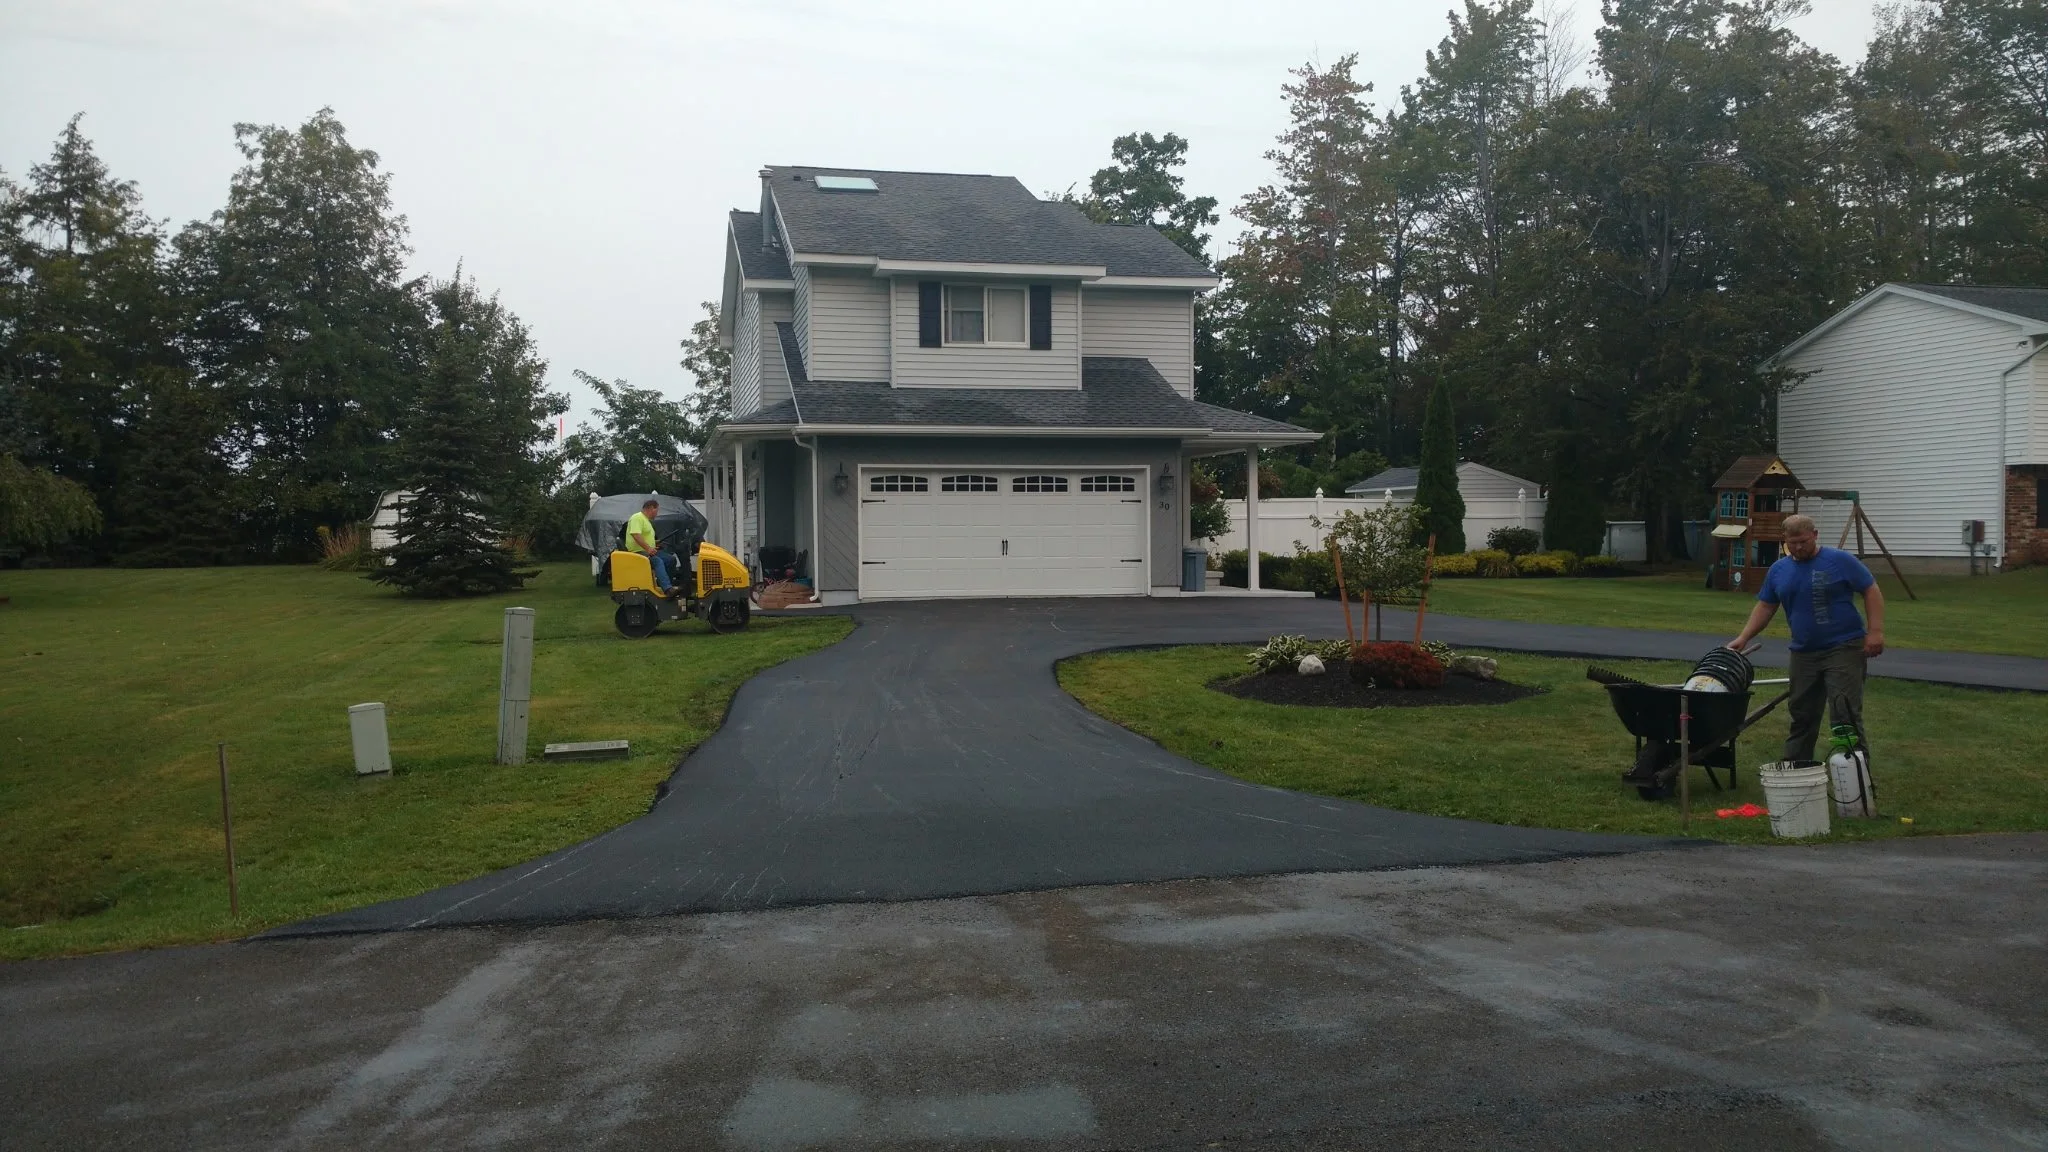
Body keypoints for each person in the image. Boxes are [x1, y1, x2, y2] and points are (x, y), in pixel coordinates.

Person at [1727, 513, 1886, 763]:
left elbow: (1870, 589)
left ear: (1815, 535)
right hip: (1804, 652)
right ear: (1785, 541)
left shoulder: (1839, 560)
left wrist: (1875, 631)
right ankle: (1796, 776)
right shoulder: (1779, 570)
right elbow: (1766, 606)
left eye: (1804, 541)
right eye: (1793, 543)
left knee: (1844, 715)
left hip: (1843, 647)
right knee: (1802, 715)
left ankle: (1857, 783)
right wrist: (1744, 637)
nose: (1799, 547)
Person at [623, 498, 679, 596]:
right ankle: (668, 589)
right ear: (651, 508)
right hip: (638, 552)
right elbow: (635, 534)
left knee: (671, 560)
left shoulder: (646, 520)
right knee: (658, 561)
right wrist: (648, 548)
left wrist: (654, 543)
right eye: (657, 511)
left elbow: (644, 536)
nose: (657, 514)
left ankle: (666, 585)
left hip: (646, 550)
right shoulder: (637, 517)